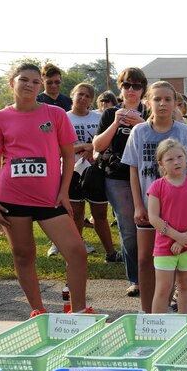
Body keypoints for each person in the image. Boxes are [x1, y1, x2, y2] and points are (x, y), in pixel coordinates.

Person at [0, 63, 91, 317]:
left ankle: (79, 312)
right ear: (12, 83)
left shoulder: (55, 115)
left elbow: (67, 154)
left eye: (35, 81)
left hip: (49, 198)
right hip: (11, 197)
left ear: (40, 85)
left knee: (76, 253)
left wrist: (64, 191)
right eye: (23, 80)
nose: (29, 85)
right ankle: (38, 311)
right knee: (23, 255)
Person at [122, 81, 187, 313]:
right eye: (157, 99)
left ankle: (172, 309)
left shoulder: (185, 131)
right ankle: (150, 313)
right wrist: (138, 205)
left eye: (168, 99)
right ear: (148, 102)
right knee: (147, 260)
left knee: (178, 261)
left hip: (179, 212)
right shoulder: (139, 131)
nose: (162, 103)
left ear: (176, 102)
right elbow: (134, 169)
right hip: (151, 211)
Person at [94, 68, 149, 297]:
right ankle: (135, 278)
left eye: (136, 86)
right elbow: (97, 146)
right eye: (126, 85)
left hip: (149, 176)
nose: (131, 90)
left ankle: (157, 273)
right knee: (128, 228)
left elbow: (161, 141)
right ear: (120, 87)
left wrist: (141, 123)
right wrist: (115, 123)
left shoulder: (149, 111)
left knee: (152, 225)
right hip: (118, 177)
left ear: (143, 89)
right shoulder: (110, 114)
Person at [61, 83, 118, 267]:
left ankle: (110, 252)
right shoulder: (63, 118)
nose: (83, 98)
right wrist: (82, 147)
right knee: (76, 214)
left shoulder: (99, 117)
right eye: (80, 94)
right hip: (71, 171)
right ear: (72, 95)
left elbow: (108, 142)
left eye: (87, 96)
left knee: (100, 215)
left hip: (96, 170)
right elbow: (56, 147)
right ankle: (77, 252)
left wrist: (92, 148)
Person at [147, 138, 187, 314]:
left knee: (185, 286)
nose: (176, 162)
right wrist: (176, 236)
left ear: (186, 157)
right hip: (165, 247)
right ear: (161, 163)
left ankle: (184, 326)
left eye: (180, 157)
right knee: (163, 289)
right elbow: (153, 217)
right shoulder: (157, 186)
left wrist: (183, 240)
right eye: (170, 159)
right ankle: (158, 329)